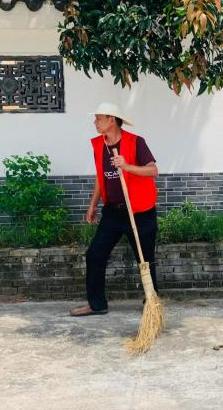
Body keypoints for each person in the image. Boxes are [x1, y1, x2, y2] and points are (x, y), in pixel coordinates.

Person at [70, 102, 159, 316]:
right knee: (95, 254)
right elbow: (101, 178)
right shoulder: (100, 145)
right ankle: (97, 304)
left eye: (98, 118)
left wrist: (127, 166)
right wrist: (92, 205)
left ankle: (151, 303)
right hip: (113, 212)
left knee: (145, 259)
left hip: (139, 211)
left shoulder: (136, 142)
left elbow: (153, 170)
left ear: (111, 120)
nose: (95, 122)